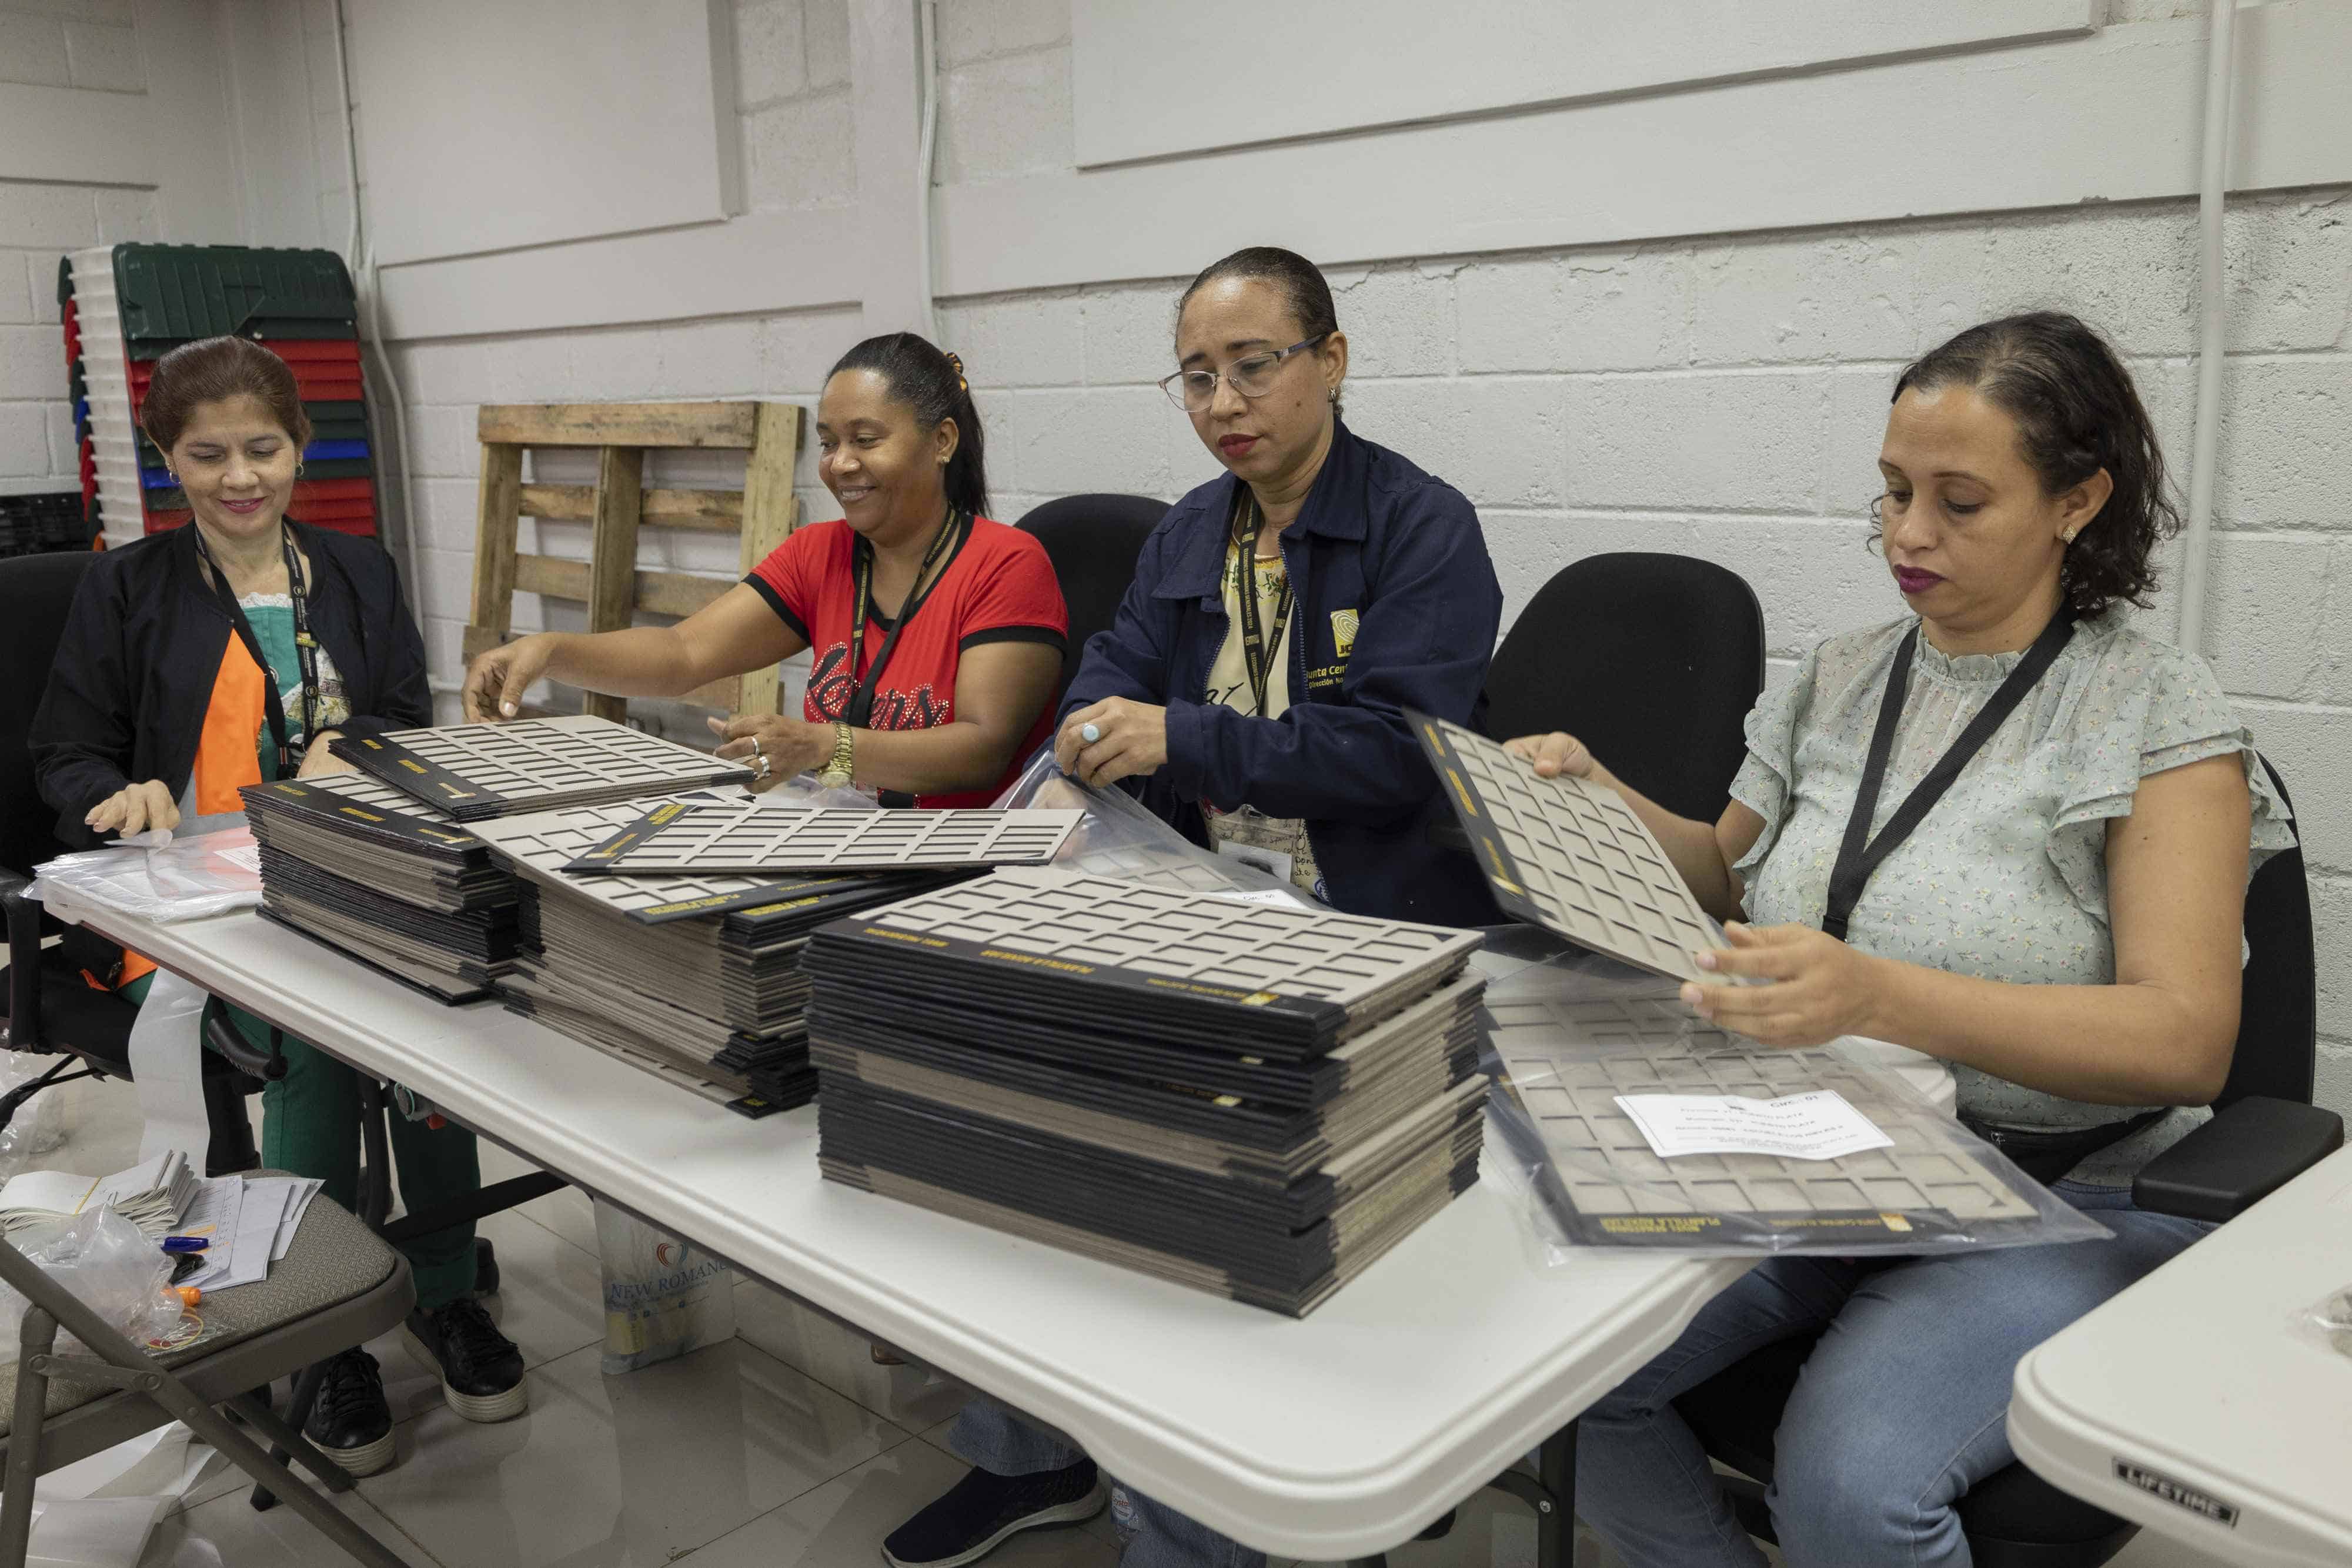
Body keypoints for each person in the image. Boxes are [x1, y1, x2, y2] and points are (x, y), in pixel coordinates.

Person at [1506, 312, 2293, 1568]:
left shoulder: (2151, 708)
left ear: (2076, 501)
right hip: (1838, 1146)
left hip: (2058, 1189)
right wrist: (1598, 795)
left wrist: (1872, 993)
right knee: (1545, 1368)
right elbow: (1725, 868)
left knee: (1850, 1492)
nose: (1905, 534)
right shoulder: (1840, 672)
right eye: (1888, 492)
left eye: (1957, 500)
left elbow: (2184, 1040)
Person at [883, 248, 1502, 1568]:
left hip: (1363, 929)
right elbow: (1101, 678)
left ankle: (1220, 1504)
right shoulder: (1188, 528)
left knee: (1190, 1200)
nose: (1224, 399)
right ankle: (1031, 1452)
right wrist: (1076, 756)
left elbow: (1397, 757)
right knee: (1008, 1111)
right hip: (1202, 901)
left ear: (1330, 362)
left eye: (1255, 364)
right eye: (1197, 374)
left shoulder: (1421, 526)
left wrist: (1182, 738)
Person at [32, 335, 526, 1478]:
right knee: (315, 1043)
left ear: (301, 448)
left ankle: (443, 1287)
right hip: (203, 906)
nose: (240, 476)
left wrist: (359, 753)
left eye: (263, 447)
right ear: (166, 458)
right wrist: (117, 793)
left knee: (431, 1029)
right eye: (208, 454)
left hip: (354, 874)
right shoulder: (125, 588)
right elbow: (64, 751)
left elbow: (401, 717)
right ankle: (330, 1325)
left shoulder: (360, 571)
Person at [461, 333, 1067, 805]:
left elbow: (983, 749)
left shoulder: (1006, 564)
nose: (840, 464)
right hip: (848, 840)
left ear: (941, 441)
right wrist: (548, 650)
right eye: (830, 442)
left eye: (866, 439)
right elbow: (681, 655)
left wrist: (824, 745)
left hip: (963, 864)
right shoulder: (819, 554)